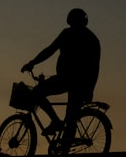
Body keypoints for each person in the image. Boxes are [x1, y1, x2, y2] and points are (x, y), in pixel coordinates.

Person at [21, 8, 101, 136]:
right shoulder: (91, 39)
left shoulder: (71, 35)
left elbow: (50, 50)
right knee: (71, 119)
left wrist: (32, 63)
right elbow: (95, 68)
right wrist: (90, 88)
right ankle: (64, 148)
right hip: (79, 83)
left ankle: (56, 122)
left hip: (69, 80)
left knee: (37, 93)